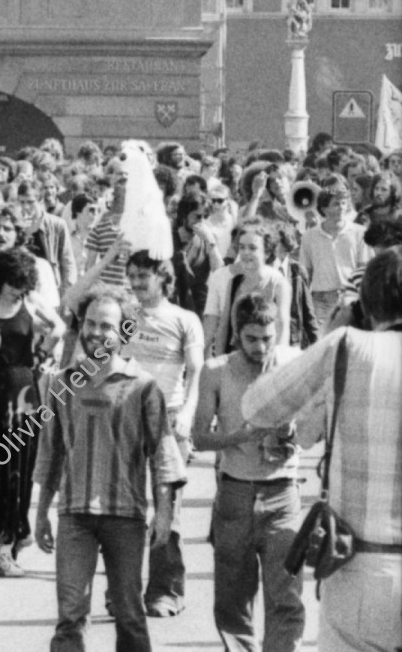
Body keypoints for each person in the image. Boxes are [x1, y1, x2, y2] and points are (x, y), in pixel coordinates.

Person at [243, 248, 402, 652]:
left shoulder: (347, 346)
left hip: (362, 568)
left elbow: (257, 406)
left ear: (365, 302)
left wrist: (337, 332)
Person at [33, 286, 185, 652]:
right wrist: (40, 514)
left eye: (107, 325)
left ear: (124, 332)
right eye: (90, 323)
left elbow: (162, 454)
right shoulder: (60, 384)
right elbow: (51, 453)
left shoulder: (143, 387)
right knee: (70, 615)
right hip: (74, 515)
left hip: (125, 516)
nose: (97, 333)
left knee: (129, 613)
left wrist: (163, 514)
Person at [190, 294, 310, 652]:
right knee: (232, 599)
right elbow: (198, 437)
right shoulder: (217, 371)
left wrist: (290, 432)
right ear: (236, 334)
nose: (260, 347)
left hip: (282, 493)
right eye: (251, 339)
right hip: (235, 494)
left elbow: (313, 424)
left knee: (286, 596)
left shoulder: (293, 364)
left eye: (267, 339)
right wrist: (237, 436)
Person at [0, 247, 63, 577]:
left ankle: (7, 551)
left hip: (24, 392)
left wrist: (41, 355)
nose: (18, 291)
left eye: (23, 284)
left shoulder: (30, 302)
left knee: (17, 471)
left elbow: (59, 328)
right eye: (13, 284)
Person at [123, 249, 204, 617]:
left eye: (145, 276)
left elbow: (195, 373)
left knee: (167, 509)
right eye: (133, 276)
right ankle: (122, 590)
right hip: (125, 417)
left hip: (169, 420)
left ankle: (165, 591)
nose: (137, 283)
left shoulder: (185, 319)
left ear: (164, 278)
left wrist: (187, 412)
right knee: (125, 509)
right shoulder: (123, 317)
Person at [204, 223, 291, 356]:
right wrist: (220, 363)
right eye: (242, 247)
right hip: (235, 359)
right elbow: (223, 328)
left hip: (266, 360)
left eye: (252, 248)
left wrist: (276, 367)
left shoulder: (279, 285)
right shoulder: (234, 283)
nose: (245, 253)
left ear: (267, 252)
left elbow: (282, 329)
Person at [299, 179, 371, 328]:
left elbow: (365, 268)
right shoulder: (309, 236)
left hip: (352, 295)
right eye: (336, 204)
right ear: (324, 209)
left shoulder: (359, 232)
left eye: (344, 203)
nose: (341, 208)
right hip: (321, 299)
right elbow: (306, 273)